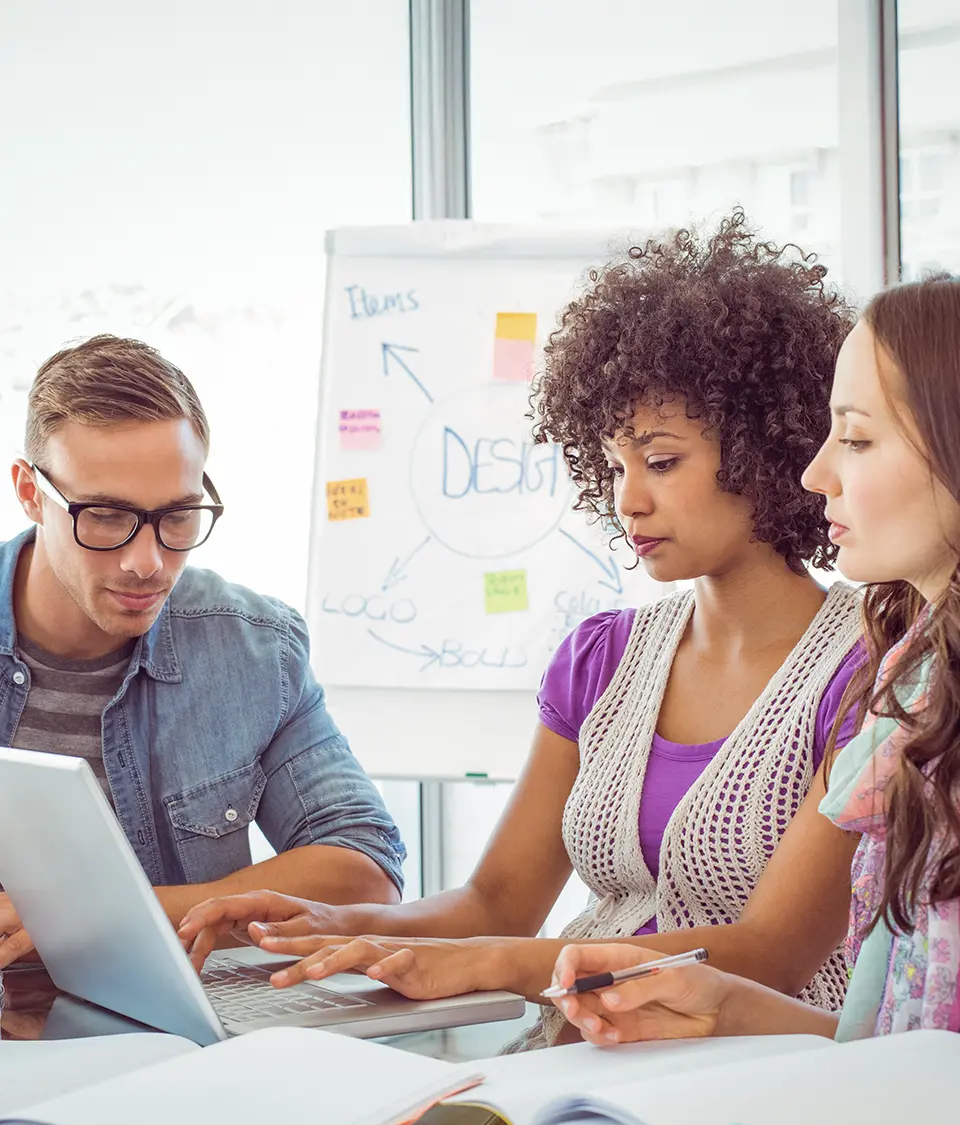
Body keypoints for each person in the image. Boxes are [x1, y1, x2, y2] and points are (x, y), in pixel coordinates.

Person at [178, 213, 863, 1046]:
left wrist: (502, 964)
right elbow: (496, 903)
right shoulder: (603, 659)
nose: (627, 500)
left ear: (763, 447)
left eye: (662, 460)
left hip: (759, 1079)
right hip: (574, 1067)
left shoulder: (866, 668)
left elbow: (770, 955)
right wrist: (327, 919)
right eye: (614, 465)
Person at [550, 273, 960, 1044]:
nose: (818, 474)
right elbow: (890, 1037)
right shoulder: (916, 681)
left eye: (859, 439)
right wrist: (726, 1007)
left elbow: (786, 957)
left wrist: (478, 962)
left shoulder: (864, 674)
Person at [0, 335, 404, 969]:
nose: (148, 563)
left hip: (182, 1040)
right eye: (105, 516)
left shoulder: (253, 648)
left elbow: (365, 869)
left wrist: (107, 912)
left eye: (179, 516)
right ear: (29, 490)